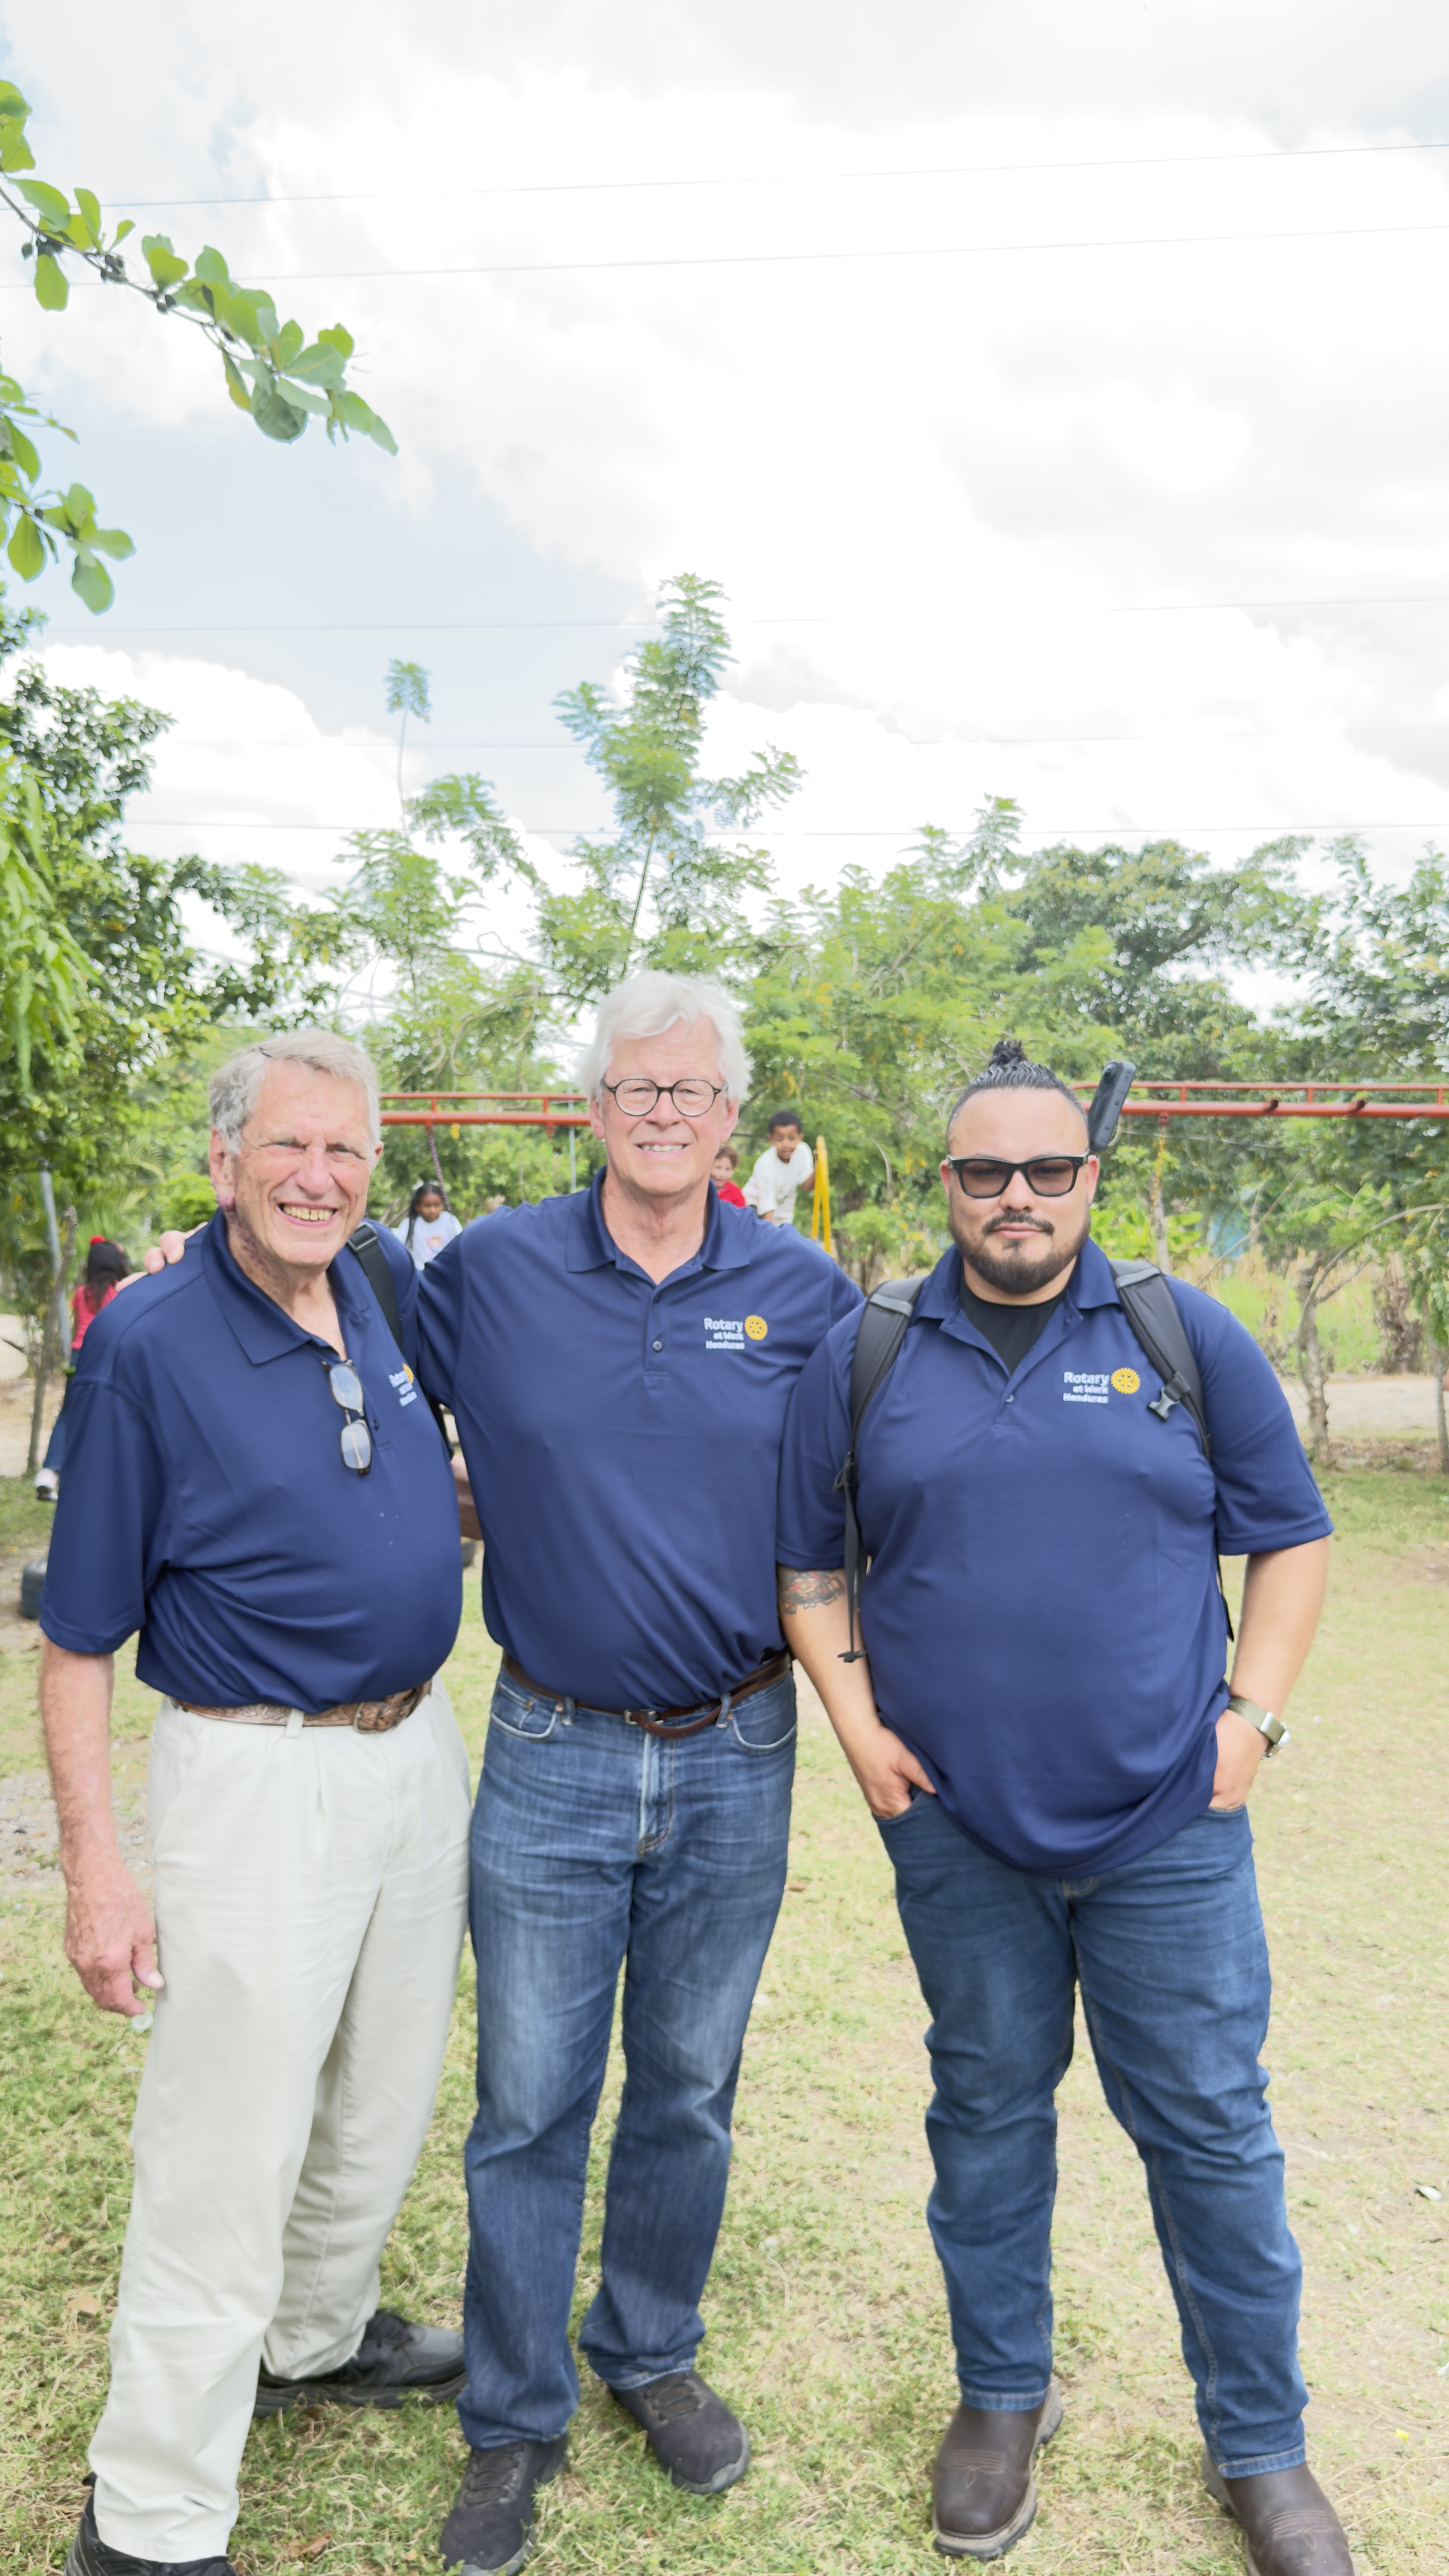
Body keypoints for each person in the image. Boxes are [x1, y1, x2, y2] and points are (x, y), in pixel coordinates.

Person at [775, 1036, 1352, 2576]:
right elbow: (810, 1565)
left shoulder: (1181, 1332)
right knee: (984, 2115)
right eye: (984, 1172)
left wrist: (1254, 1723)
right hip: (960, 1832)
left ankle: (1263, 2448)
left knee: (1213, 2136)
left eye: (1047, 1170)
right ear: (946, 1187)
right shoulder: (872, 1346)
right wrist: (856, 1725)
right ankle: (997, 2402)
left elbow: (1289, 1536)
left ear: (1088, 1180)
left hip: (1172, 1825)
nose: (1016, 1197)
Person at [409, 970, 861, 2576]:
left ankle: (648, 2346)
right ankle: (513, 2415)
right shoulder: (491, 1271)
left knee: (687, 2084)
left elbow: (883, 1485)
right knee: (530, 2099)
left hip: (741, 1747)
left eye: (689, 1089)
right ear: (591, 1106)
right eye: (631, 1087)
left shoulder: (806, 1291)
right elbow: (330, 1333)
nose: (660, 1112)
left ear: (734, 1114)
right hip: (550, 1744)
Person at [41, 1030, 473, 2576]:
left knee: (381, 2094)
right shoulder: (146, 1341)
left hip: (416, 1755)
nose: (319, 1178)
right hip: (255, 1771)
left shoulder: (384, 1287)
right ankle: (150, 2518)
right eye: (287, 1147)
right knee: (226, 2143)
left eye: (346, 1151)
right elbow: (79, 1640)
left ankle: (313, 2336)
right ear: (224, 1160)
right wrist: (100, 1868)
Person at [35, 1235, 130, 1499]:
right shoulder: (120, 1292)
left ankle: (48, 1473)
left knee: (68, 1414)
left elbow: (80, 1328)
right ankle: (96, 1478)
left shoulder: (81, 1294)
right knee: (106, 1415)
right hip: (107, 1356)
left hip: (79, 1357)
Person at [742, 1111, 813, 1226]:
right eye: (780, 1139)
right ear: (771, 1139)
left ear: (800, 1138)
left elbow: (807, 1187)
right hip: (753, 1210)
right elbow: (766, 1208)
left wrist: (818, 1166)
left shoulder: (803, 1151)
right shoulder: (766, 1164)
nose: (786, 1145)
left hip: (781, 1216)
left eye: (791, 1139)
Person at [404, 1176, 464, 1269]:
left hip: (446, 1270)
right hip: (420, 1274)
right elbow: (399, 1249)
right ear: (418, 1207)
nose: (433, 1210)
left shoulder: (449, 1220)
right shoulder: (410, 1224)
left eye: (437, 1205)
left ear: (443, 1205)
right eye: (427, 1206)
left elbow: (461, 1244)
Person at [710, 1143, 748, 1208]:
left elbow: (742, 1214)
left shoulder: (735, 1192)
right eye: (718, 1168)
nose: (722, 1175)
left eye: (728, 1170)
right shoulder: (701, 1188)